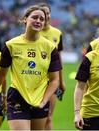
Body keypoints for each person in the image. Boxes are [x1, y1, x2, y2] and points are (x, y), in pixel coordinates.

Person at [0, 5, 62, 130]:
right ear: (25, 19)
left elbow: (54, 80)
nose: (38, 21)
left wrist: (44, 101)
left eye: (41, 19)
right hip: (17, 97)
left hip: (40, 100)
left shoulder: (50, 48)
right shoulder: (11, 45)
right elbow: (1, 74)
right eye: (35, 17)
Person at [38, 2, 65, 130]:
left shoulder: (57, 33)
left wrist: (62, 81)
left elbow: (59, 58)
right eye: (43, 13)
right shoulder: (34, 32)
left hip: (52, 79)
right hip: (36, 79)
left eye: (48, 13)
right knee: (37, 117)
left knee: (48, 117)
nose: (46, 16)